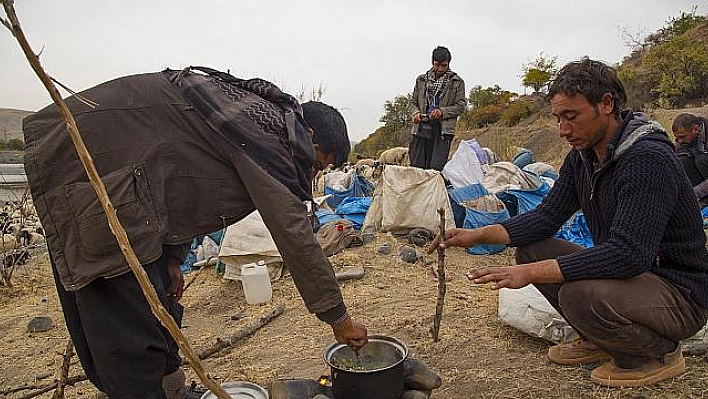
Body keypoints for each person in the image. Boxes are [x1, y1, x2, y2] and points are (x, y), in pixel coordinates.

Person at [23, 67, 368, 399]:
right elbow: (294, 235)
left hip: (132, 188)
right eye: (317, 164)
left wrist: (174, 258)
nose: (311, 175)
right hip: (94, 178)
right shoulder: (270, 136)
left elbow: (185, 177)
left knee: (161, 308)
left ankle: (172, 392)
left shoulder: (248, 120)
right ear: (309, 137)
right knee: (128, 331)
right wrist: (339, 320)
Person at [428, 58, 708, 388]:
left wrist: (528, 275)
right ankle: (598, 338)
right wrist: (476, 235)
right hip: (634, 280)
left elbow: (628, 254)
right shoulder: (583, 157)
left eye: (571, 117)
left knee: (578, 294)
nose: (562, 130)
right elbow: (546, 216)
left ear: (607, 104)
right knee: (531, 250)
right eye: (559, 118)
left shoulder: (647, 158)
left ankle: (655, 354)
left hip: (679, 291)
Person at [408, 46, 466, 171]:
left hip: (443, 130)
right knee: (416, 168)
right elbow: (412, 103)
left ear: (448, 63)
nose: (440, 69)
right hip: (421, 128)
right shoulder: (421, 80)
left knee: (435, 169)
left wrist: (442, 112)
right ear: (432, 62)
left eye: (443, 66)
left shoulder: (457, 82)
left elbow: (461, 105)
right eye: (437, 65)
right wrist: (416, 113)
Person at [672, 112, 708, 206]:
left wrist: (693, 193)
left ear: (696, 129)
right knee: (681, 162)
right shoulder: (683, 141)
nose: (679, 141)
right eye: (677, 138)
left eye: (682, 137)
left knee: (701, 159)